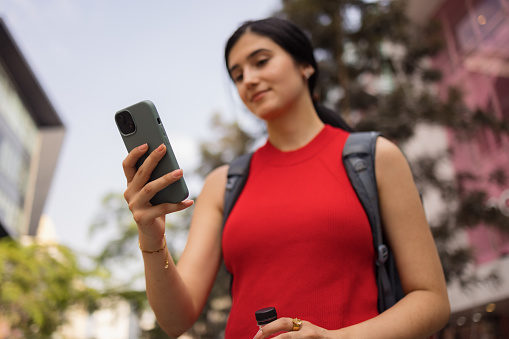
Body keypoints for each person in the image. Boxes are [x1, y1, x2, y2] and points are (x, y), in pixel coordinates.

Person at [122, 17, 450, 339]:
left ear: (305, 65)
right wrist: (151, 237)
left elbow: (432, 300)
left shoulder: (375, 157)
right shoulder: (223, 183)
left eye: (261, 62)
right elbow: (176, 320)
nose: (248, 79)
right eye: (237, 75)